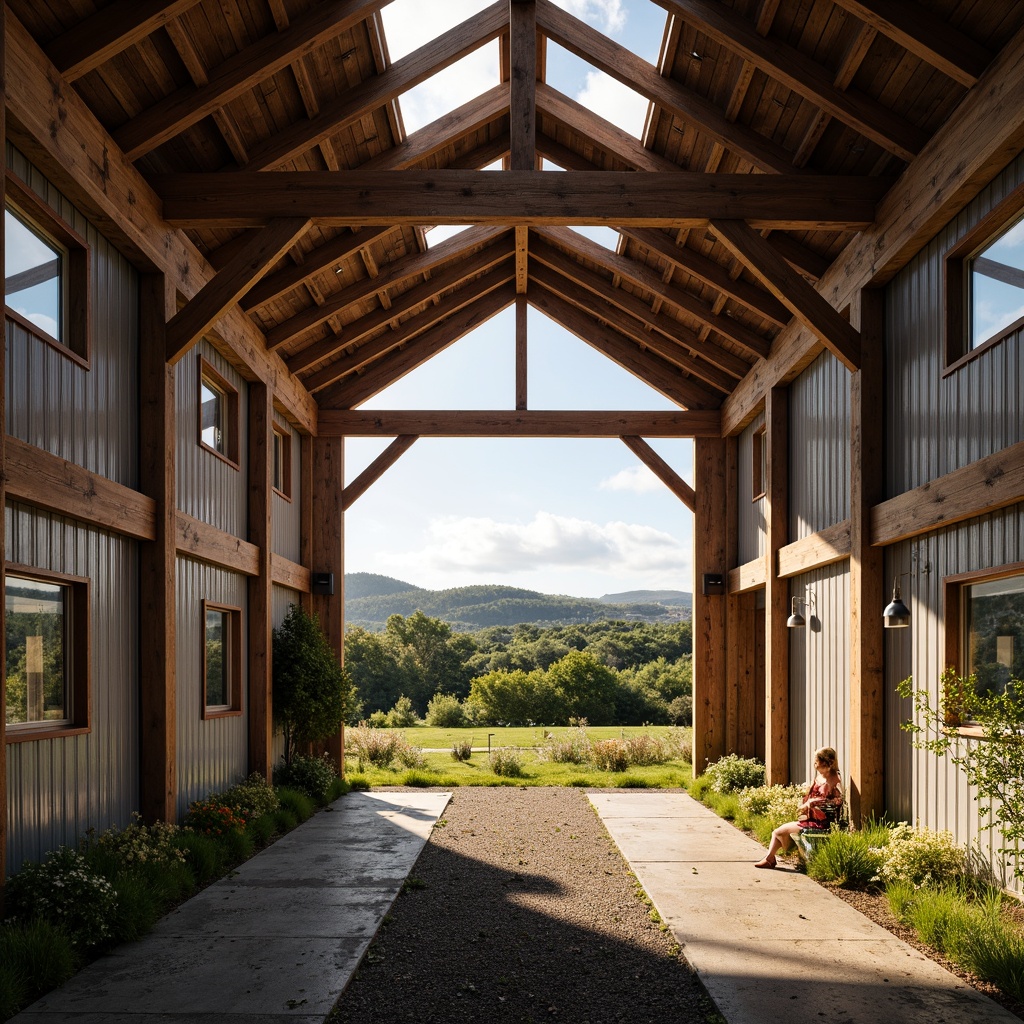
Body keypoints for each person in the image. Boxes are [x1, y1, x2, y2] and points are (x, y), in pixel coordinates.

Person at [754, 746, 843, 869]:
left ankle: (770, 859)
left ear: (825, 762)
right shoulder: (819, 777)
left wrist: (814, 802)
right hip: (810, 819)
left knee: (777, 832)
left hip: (821, 822)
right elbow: (810, 796)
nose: (814, 765)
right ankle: (770, 859)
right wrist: (804, 804)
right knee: (778, 832)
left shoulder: (835, 778)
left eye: (816, 762)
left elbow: (837, 801)